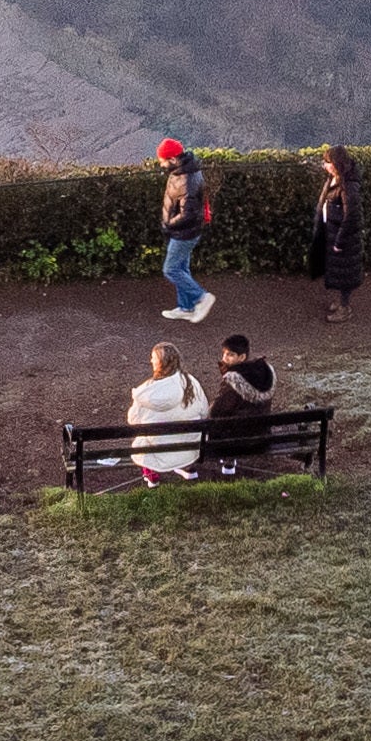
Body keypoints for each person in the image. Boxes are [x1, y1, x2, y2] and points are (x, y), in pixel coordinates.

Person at [127, 341, 208, 483]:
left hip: (159, 452)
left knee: (142, 438)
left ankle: (152, 477)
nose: (150, 360)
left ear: (160, 363)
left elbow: (133, 420)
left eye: (153, 357)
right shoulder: (191, 382)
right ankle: (187, 467)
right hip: (189, 450)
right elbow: (204, 411)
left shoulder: (146, 391)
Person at [156, 137, 217, 325]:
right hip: (185, 232)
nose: (161, 164)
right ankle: (185, 308)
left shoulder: (186, 179)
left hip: (185, 233)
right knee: (181, 268)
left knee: (171, 269)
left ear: (173, 159)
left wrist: (169, 224)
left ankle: (202, 298)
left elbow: (188, 214)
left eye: (163, 160)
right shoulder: (183, 171)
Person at [311, 145, 367, 325]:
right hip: (333, 233)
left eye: (327, 162)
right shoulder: (335, 179)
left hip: (343, 239)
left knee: (345, 275)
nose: (324, 166)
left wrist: (339, 241)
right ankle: (342, 303)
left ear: (336, 164)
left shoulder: (348, 187)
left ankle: (345, 308)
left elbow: (351, 217)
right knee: (339, 271)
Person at [210, 332, 279, 474]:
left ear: (242, 357)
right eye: (224, 354)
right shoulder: (265, 372)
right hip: (262, 435)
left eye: (230, 355)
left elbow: (217, 411)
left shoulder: (234, 380)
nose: (224, 358)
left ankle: (227, 461)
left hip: (239, 441)